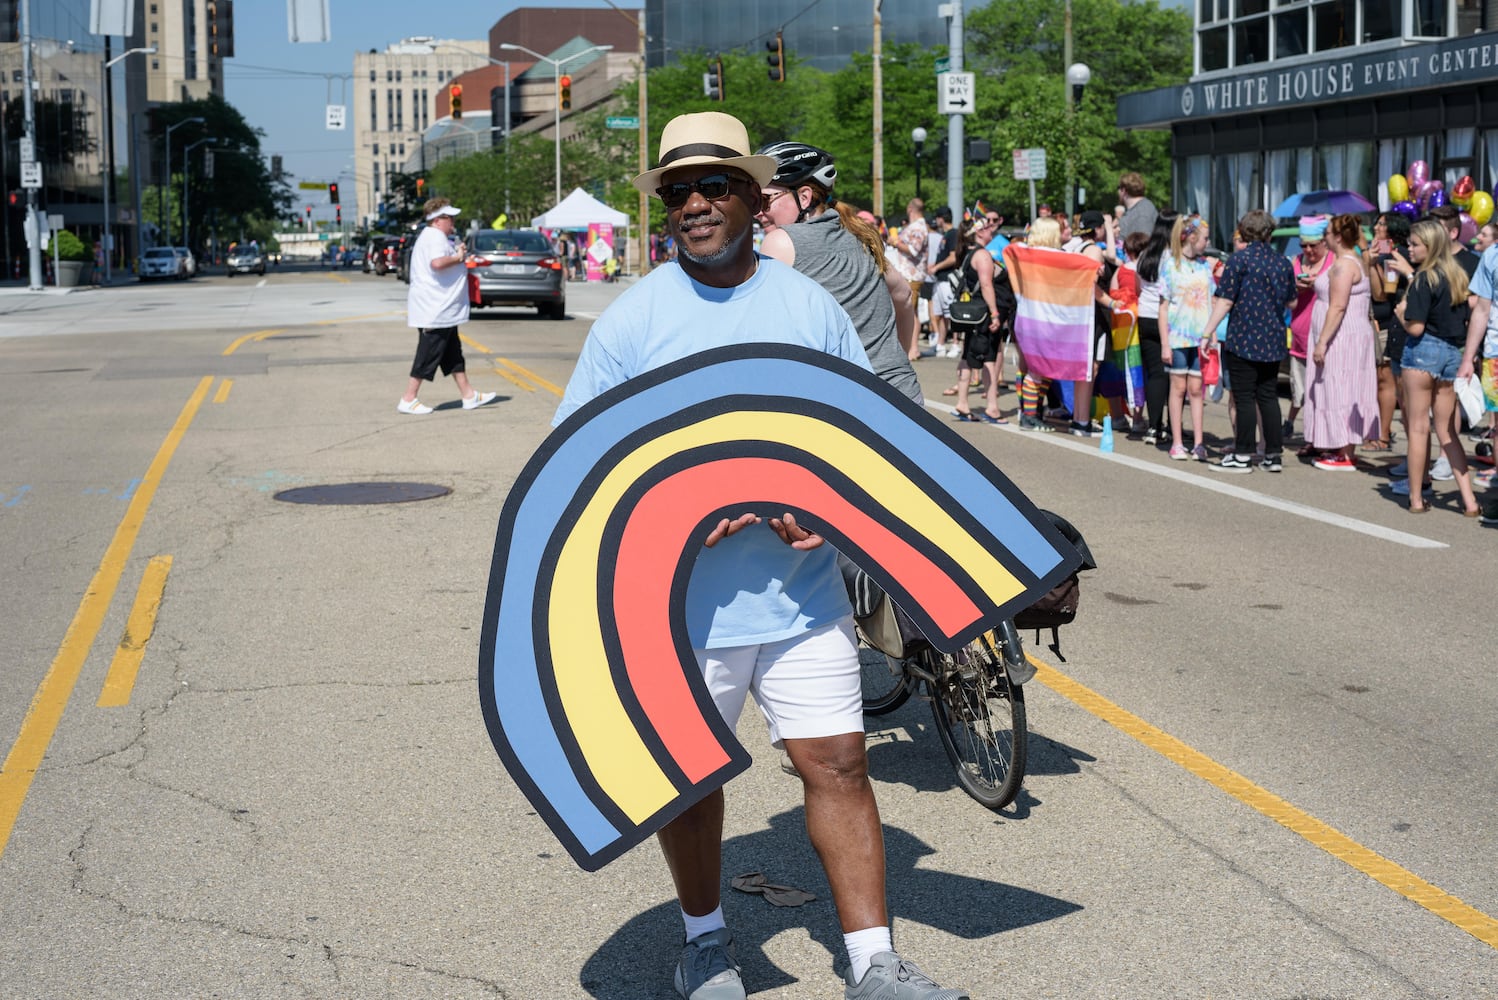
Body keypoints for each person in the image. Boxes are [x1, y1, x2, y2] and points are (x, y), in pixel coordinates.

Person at [555, 111, 968, 1000]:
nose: (695, 205)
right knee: (691, 783)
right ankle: (706, 942)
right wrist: (663, 516)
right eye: (677, 192)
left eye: (713, 186)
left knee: (841, 766)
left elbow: (860, 437)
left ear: (752, 196)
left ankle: (873, 961)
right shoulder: (633, 321)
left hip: (803, 602)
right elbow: (576, 466)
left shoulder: (806, 305)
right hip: (682, 614)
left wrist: (833, 510)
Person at [753, 140, 924, 406]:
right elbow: (902, 295)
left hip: (849, 402)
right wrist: (895, 359)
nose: (758, 212)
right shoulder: (859, 235)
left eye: (765, 200)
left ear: (805, 197)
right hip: (902, 392)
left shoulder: (782, 242)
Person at [1391, 219, 1481, 515]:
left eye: (1415, 244)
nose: (1410, 249)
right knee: (1447, 432)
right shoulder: (1456, 275)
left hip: (1423, 352)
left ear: (1429, 247)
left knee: (1417, 428)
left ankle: (1416, 498)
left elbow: (1415, 328)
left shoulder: (1424, 278)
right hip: (1451, 354)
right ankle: (1469, 501)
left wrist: (1402, 314)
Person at [1202, 210, 1298, 472]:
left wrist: (1207, 331)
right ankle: (1273, 454)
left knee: (1244, 397)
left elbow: (1225, 300)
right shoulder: (1283, 263)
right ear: (1269, 233)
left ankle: (1242, 453)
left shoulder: (1240, 260)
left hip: (1244, 336)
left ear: (1244, 232)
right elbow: (1292, 300)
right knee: (1267, 396)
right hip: (1273, 337)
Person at [396, 199, 497, 415]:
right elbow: (437, 263)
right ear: (438, 220)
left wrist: (455, 254)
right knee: (428, 353)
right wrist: (458, 257)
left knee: (453, 354)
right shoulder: (434, 237)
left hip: (441, 308)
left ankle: (468, 395)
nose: (453, 221)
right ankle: (408, 398)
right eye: (449, 218)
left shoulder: (434, 237)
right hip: (435, 308)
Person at [1301, 214, 1380, 471]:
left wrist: (1322, 342)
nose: (1323, 237)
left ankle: (1345, 451)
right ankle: (1339, 445)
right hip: (1345, 333)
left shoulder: (1344, 265)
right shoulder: (1346, 262)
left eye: (1326, 233)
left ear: (1337, 237)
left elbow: (1337, 306)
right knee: (1339, 388)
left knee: (1341, 388)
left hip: (1342, 337)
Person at [1158, 213, 1215, 461]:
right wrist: (1165, 344)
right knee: (1178, 388)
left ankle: (1199, 442)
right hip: (1178, 336)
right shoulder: (1170, 265)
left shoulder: (1204, 266)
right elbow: (1163, 306)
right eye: (1204, 238)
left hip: (1200, 336)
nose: (1207, 242)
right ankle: (1177, 441)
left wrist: (1211, 334)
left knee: (1196, 389)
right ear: (1191, 237)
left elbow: (1212, 300)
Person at [946, 215, 1007, 424]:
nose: (992, 230)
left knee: (970, 355)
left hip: (975, 314)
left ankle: (977, 405)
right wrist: (995, 313)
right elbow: (986, 284)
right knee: (987, 358)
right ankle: (989, 407)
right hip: (984, 314)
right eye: (989, 227)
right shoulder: (982, 255)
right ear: (979, 232)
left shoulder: (969, 253)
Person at [1365, 212, 1412, 453]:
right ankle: (1380, 431)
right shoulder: (1384, 251)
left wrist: (1372, 263)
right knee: (1378, 381)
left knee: (1386, 382)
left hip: (1388, 323)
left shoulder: (1396, 255)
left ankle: (1383, 434)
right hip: (1378, 321)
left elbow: (1383, 292)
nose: (1376, 227)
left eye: (1382, 224)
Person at [1132, 211, 1179, 444]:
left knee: (1154, 373)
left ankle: (1154, 426)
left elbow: (1138, 287)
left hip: (1145, 315)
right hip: (1166, 318)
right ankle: (1170, 426)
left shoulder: (1145, 255)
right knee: (1170, 375)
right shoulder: (1172, 257)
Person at [1286, 216, 1333, 444]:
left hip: (1325, 338)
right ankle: (1306, 434)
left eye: (1313, 245)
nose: (1308, 250)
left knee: (1323, 393)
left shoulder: (1333, 262)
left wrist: (1320, 285)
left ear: (1324, 242)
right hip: (1300, 338)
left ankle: (1319, 439)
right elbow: (1285, 299)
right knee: (1301, 392)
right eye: (1303, 245)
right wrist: (1294, 288)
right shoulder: (1295, 261)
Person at [1117, 172, 1159, 239]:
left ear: (1123, 190)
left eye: (1118, 188)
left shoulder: (1142, 215)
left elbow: (1142, 245)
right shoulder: (1141, 208)